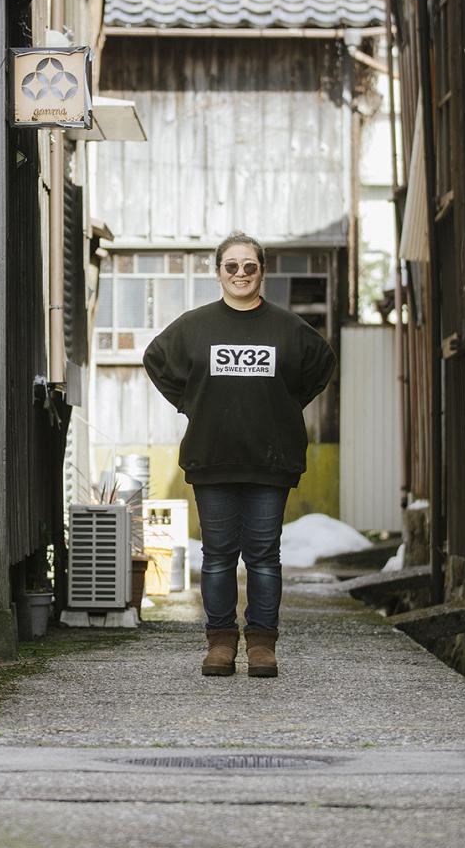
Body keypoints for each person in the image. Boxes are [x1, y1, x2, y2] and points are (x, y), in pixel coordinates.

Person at [142, 232, 336, 678]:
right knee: (218, 555)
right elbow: (156, 359)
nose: (241, 274)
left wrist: (287, 405)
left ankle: (263, 645)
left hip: (272, 460)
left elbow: (321, 363)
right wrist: (191, 402)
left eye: (250, 266)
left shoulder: (288, 328)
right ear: (219, 273)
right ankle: (221, 643)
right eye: (232, 266)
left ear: (261, 271)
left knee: (265, 556)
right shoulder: (195, 326)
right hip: (213, 458)